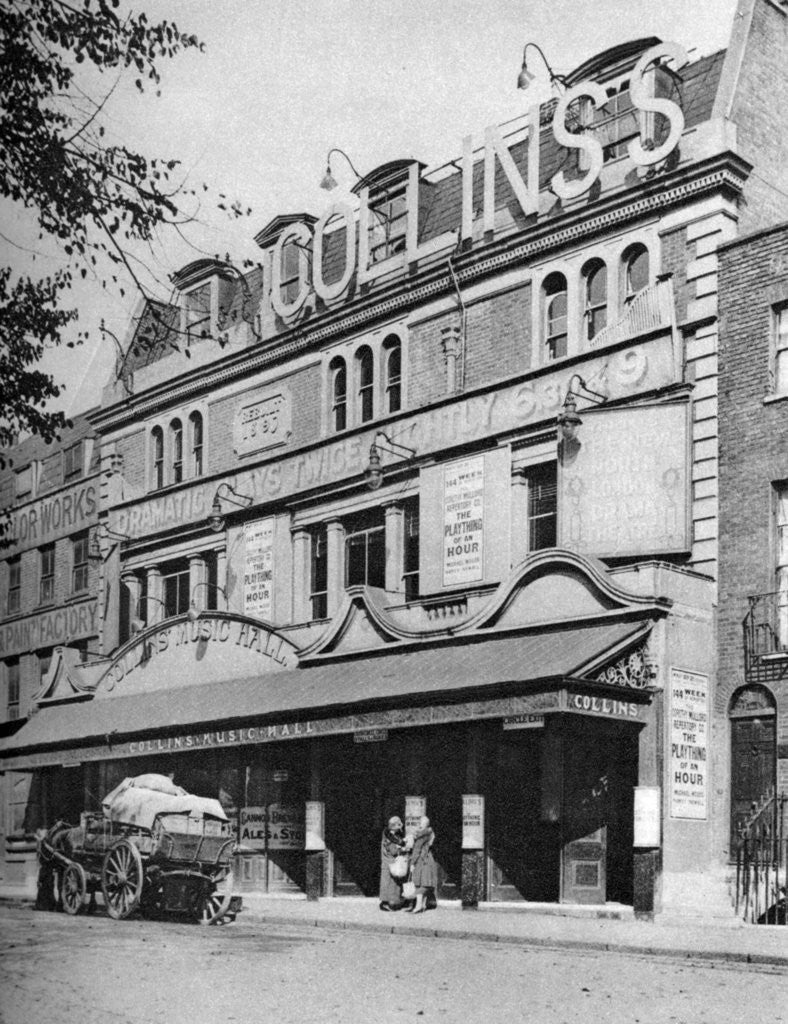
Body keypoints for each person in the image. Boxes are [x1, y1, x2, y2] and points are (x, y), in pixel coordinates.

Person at [407, 815, 437, 913]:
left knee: (419, 884)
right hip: (428, 860)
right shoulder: (430, 833)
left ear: (425, 825)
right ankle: (423, 905)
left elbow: (417, 850)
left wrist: (412, 863)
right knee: (425, 882)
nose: (419, 825)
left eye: (420, 823)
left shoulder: (422, 835)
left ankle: (418, 906)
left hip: (421, 861)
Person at [379, 815, 407, 911]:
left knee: (387, 883)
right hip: (390, 863)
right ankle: (386, 903)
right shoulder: (390, 836)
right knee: (389, 884)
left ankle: (388, 902)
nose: (399, 829)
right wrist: (402, 848)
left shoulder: (387, 833)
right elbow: (393, 851)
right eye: (398, 826)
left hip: (387, 862)